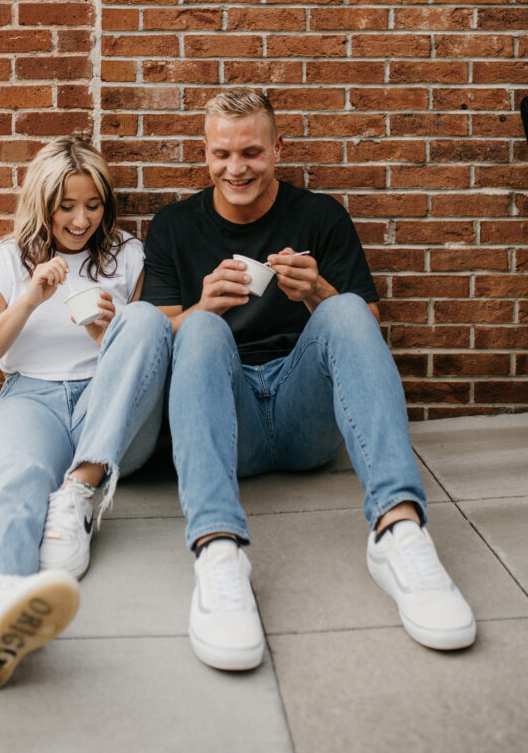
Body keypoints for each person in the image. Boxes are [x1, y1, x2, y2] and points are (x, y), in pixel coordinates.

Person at [141, 87, 476, 671]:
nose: (236, 168)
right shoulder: (174, 226)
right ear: (205, 153)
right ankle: (218, 550)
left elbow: (365, 326)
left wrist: (318, 294)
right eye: (222, 154)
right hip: (231, 417)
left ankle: (399, 532)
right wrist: (202, 309)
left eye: (251, 152)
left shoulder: (320, 215)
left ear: (277, 147)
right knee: (196, 333)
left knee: (344, 307)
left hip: (306, 416)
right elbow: (152, 342)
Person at [0, 136, 172, 690]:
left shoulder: (128, 254)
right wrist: (28, 299)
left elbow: (150, 355)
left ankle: (77, 494)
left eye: (93, 205)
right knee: (17, 479)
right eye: (66, 206)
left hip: (112, 404)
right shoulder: (6, 259)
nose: (81, 220)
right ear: (41, 202)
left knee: (142, 322)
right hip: (33, 397)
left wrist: (107, 332)